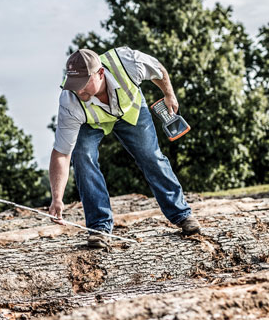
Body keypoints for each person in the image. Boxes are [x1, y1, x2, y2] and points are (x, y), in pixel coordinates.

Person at [48, 47, 200, 249]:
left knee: (151, 156)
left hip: (130, 112)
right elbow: (61, 153)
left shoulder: (128, 62)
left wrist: (169, 95)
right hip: (91, 123)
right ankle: (99, 228)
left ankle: (182, 214)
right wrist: (57, 198)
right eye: (74, 85)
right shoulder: (70, 101)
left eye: (83, 84)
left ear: (100, 73)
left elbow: (159, 70)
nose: (78, 90)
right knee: (82, 156)